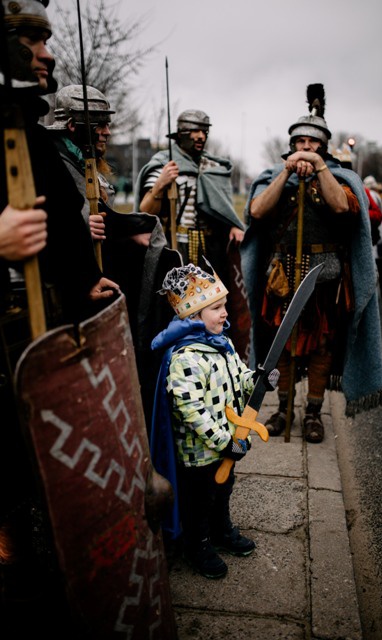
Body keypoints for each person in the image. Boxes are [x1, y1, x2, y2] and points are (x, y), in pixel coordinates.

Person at [0, 2, 120, 636]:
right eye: (30, 37)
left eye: (48, 37)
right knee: (8, 496)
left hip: (41, 333)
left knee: (46, 472)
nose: (46, 51)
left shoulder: (36, 134)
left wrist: (82, 278)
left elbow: (66, 231)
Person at [240, 84, 382, 443]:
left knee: (321, 348)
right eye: (300, 142)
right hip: (282, 277)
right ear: (291, 146)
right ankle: (283, 409)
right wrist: (285, 174)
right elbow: (256, 211)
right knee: (282, 345)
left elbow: (342, 208)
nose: (306, 147)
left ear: (323, 146)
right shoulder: (276, 176)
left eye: (313, 143)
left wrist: (320, 168)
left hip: (325, 279)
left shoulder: (341, 178)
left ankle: (313, 414)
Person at [47, 84, 181, 429]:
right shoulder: (52, 163)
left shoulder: (84, 163)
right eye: (99, 123)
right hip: (65, 292)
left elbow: (104, 220)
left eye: (107, 122)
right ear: (73, 124)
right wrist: (78, 228)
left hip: (96, 281)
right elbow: (48, 219)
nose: (107, 130)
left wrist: (127, 231)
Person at [149, 262, 279, 579]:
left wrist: (257, 381)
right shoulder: (186, 357)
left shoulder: (221, 343)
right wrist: (224, 441)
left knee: (224, 489)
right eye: (217, 308)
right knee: (200, 500)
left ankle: (222, 531)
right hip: (199, 452)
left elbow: (238, 379)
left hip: (227, 442)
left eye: (223, 306)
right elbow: (190, 408)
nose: (225, 313)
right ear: (194, 316)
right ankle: (199, 544)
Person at [133, 110, 251, 358]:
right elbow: (146, 211)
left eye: (204, 131)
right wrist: (160, 184)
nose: (200, 136)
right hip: (176, 249)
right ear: (181, 135)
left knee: (212, 305)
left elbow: (222, 210)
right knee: (175, 307)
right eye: (195, 131)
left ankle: (212, 357)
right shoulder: (163, 162)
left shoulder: (213, 167)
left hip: (211, 250)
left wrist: (231, 224)